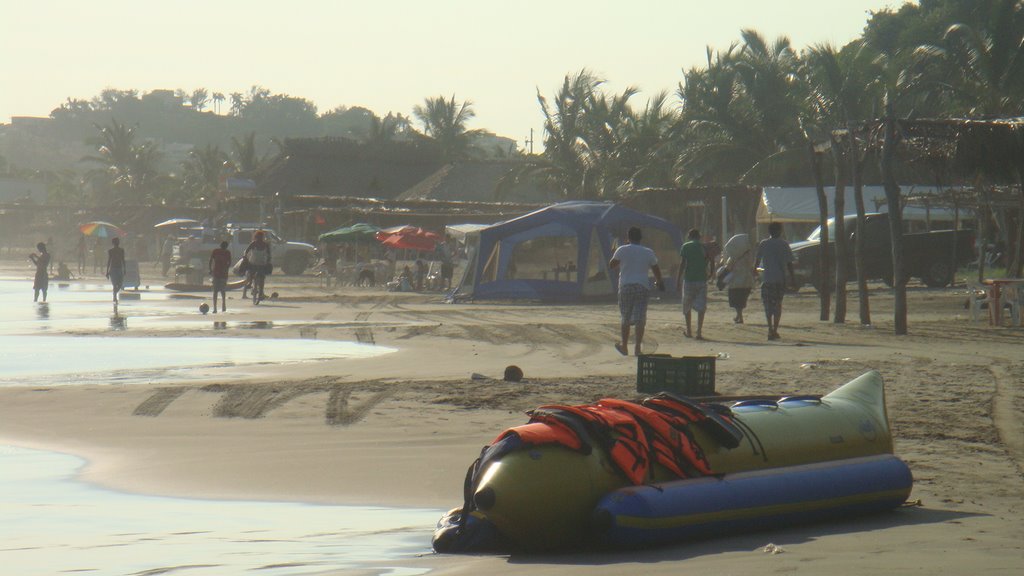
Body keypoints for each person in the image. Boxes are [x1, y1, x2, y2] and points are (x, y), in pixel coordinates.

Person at [609, 226, 665, 356]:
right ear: (641, 238)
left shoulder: (622, 249)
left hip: (626, 286)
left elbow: (612, 265)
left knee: (626, 317)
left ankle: (624, 346)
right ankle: (638, 347)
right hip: (642, 286)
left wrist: (615, 253)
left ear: (628, 238)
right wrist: (659, 282)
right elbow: (656, 268)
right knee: (640, 317)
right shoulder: (648, 252)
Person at [756, 222, 797, 341]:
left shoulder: (764, 244)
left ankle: (769, 328)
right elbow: (789, 263)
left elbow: (757, 261)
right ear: (779, 231)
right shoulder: (784, 244)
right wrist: (792, 279)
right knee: (777, 304)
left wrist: (755, 272)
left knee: (768, 305)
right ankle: (775, 329)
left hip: (767, 279)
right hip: (779, 279)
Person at [675, 228, 711, 340]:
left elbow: (682, 264)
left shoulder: (686, 246)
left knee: (687, 305)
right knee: (701, 307)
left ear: (689, 236)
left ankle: (689, 330)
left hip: (689, 279)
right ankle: (699, 332)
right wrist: (711, 274)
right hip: (701, 279)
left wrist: (678, 280)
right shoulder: (704, 247)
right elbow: (709, 262)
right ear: (699, 237)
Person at [721, 233, 755, 324]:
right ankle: (739, 316)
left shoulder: (733, 257)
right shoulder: (749, 255)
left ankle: (739, 316)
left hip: (736, 281)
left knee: (736, 300)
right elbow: (751, 265)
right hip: (746, 281)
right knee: (742, 299)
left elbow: (728, 267)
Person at [244, 230, 272, 304]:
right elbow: (269, 255)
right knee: (261, 277)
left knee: (251, 272)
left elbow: (246, 251)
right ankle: (260, 291)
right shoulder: (265, 244)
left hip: (255, 262)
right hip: (260, 263)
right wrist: (268, 261)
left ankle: (251, 284)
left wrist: (245, 256)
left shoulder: (254, 243)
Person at [209, 240, 232, 313]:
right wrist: (210, 269)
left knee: (219, 291)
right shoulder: (217, 251)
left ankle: (221, 305)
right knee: (219, 291)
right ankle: (218, 307)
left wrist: (210, 269)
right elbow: (211, 260)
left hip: (221, 274)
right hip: (218, 273)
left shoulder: (226, 252)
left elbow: (229, 263)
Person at [105, 237, 126, 303]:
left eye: (118, 241)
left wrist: (125, 269)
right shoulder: (110, 251)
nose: (117, 243)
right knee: (115, 284)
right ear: (113, 243)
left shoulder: (121, 250)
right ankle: (115, 297)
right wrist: (107, 272)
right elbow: (109, 261)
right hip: (113, 269)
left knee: (120, 284)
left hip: (119, 268)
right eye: (116, 241)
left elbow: (123, 260)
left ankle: (114, 294)